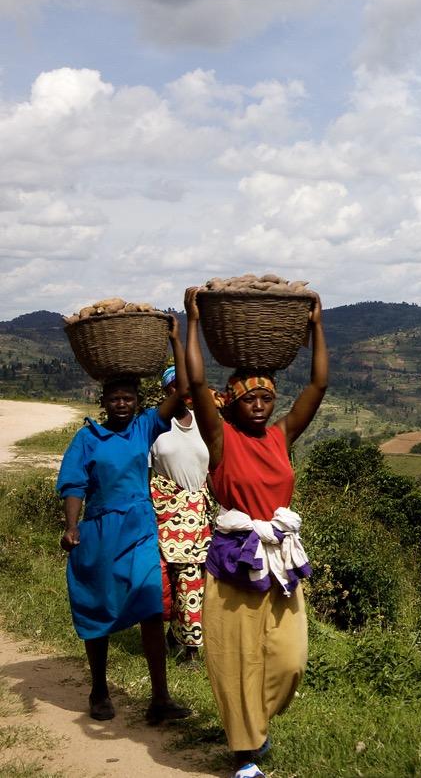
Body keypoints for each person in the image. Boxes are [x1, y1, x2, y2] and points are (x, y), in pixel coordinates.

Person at [184, 288, 327, 778]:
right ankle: (244, 752)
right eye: (252, 399)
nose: (262, 406)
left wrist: (316, 326)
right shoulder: (220, 438)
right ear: (232, 403)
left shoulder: (281, 436)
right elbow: (196, 381)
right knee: (236, 657)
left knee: (290, 659)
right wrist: (193, 322)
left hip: (281, 557)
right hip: (235, 557)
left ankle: (256, 726)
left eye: (268, 397)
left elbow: (318, 386)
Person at [56, 316, 193, 724]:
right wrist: (71, 526)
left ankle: (160, 699)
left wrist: (174, 338)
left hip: (139, 530)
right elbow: (74, 485)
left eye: (127, 398)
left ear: (137, 402)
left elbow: (183, 390)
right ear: (104, 401)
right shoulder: (88, 439)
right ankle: (99, 688)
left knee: (151, 606)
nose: (121, 403)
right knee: (97, 609)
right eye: (114, 398)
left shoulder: (144, 428)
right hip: (99, 533)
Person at [150, 364, 213, 663]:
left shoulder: (205, 422)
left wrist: (222, 502)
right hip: (167, 510)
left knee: (194, 578)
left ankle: (183, 643)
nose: (181, 391)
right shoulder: (156, 425)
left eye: (185, 385)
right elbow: (145, 471)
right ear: (167, 390)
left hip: (199, 513)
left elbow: (211, 469)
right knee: (176, 579)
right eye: (175, 386)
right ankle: (184, 645)